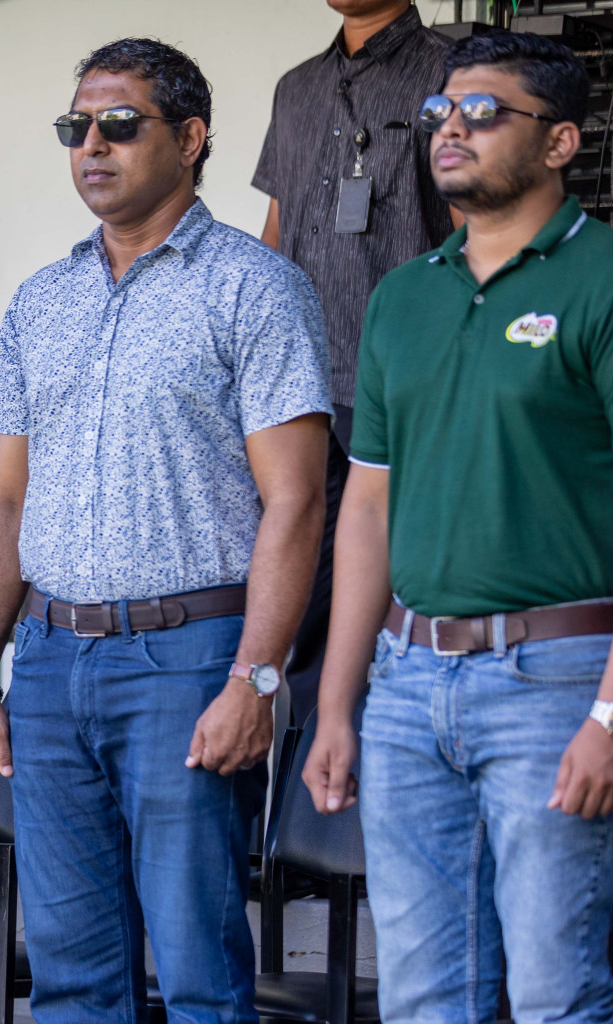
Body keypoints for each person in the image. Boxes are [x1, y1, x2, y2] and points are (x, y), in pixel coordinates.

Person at [0, 39, 331, 1022]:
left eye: (119, 124)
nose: (92, 145)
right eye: (75, 127)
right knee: (72, 976)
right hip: (43, 660)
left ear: (191, 137)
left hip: (187, 658)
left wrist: (256, 676)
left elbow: (297, 499)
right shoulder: (43, 301)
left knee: (200, 974)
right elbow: (1, 499)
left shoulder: (257, 287)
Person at [304, 32, 613, 1021]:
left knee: (556, 996)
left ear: (559, 140)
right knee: (424, 1000)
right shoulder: (405, 295)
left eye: (485, 112)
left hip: (558, 682)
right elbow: (367, 507)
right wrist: (340, 705)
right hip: (405, 686)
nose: (450, 129)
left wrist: (611, 717)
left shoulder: (603, 277)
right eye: (440, 112)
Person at [254, 0, 454, 716]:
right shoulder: (296, 86)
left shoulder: (448, 70)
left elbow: (472, 229)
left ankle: (378, 802)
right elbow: (274, 235)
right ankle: (304, 816)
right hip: (294, 388)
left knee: (392, 601)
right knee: (297, 604)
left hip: (406, 384)